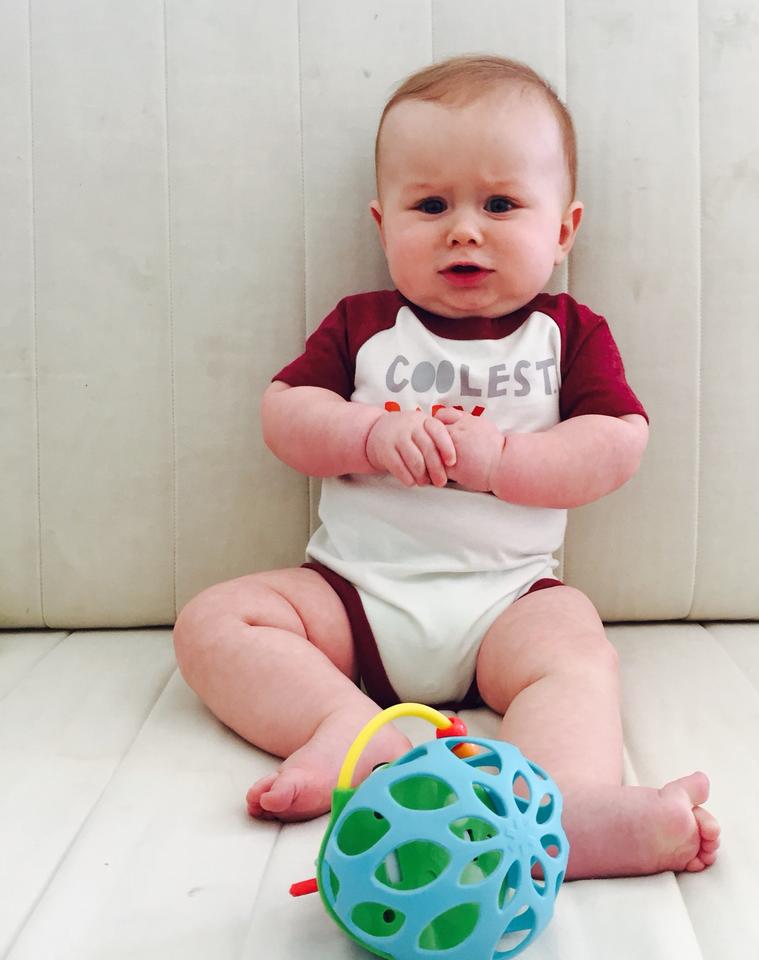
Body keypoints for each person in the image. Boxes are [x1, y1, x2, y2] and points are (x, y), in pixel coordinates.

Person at [173, 54, 719, 879]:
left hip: (507, 601)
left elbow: (616, 443)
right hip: (353, 597)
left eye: (500, 204)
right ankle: (352, 730)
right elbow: (284, 413)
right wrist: (367, 435)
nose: (464, 228)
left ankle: (557, 809)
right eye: (430, 205)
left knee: (575, 653)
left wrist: (503, 459)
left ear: (563, 230)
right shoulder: (363, 324)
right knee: (215, 621)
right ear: (382, 225)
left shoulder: (566, 334)